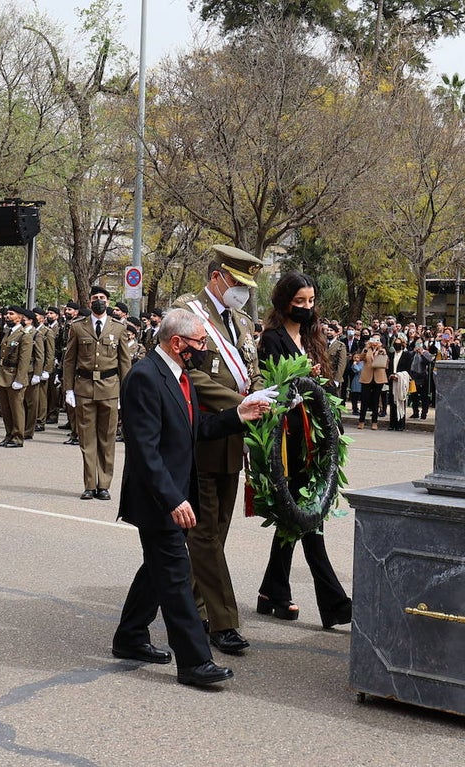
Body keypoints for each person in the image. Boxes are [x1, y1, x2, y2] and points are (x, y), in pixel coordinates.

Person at [112, 308, 274, 687]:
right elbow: (145, 452)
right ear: (177, 342)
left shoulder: (178, 374)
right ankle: (194, 661)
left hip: (174, 493)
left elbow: (195, 428)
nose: (203, 349)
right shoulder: (144, 378)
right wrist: (173, 499)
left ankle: (130, 636)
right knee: (176, 576)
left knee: (156, 570)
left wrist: (239, 414)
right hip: (157, 498)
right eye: (200, 342)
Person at [171, 246, 264, 655]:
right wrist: (237, 402)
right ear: (217, 278)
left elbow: (252, 366)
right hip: (202, 432)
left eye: (246, 287)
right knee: (205, 535)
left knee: (215, 533)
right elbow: (187, 372)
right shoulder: (186, 312)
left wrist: (261, 393)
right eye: (237, 284)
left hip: (234, 436)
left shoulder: (241, 320)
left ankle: (191, 606)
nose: (241, 293)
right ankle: (221, 622)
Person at [255, 271, 353, 629]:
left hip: (316, 440)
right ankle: (335, 603)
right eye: (300, 302)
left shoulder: (315, 335)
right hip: (287, 440)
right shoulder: (272, 339)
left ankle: (272, 590)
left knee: (298, 515)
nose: (306, 308)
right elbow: (273, 389)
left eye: (311, 301)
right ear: (283, 302)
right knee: (309, 516)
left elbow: (326, 386)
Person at [62, 286, 132, 500]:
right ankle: (90, 484)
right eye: (95, 298)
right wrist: (68, 389)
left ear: (108, 302)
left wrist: (125, 393)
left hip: (110, 389)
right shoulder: (77, 327)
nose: (98, 301)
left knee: (107, 438)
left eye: (102, 298)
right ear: (89, 302)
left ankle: (104, 484)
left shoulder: (119, 328)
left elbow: (124, 363)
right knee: (87, 438)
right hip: (84, 388)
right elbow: (69, 360)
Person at [0, 307, 33, 448]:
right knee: (6, 409)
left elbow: (24, 360)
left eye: (11, 314)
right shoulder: (7, 333)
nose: (7, 316)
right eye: (7, 314)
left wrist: (19, 379)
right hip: (3, 374)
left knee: (16, 409)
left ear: (20, 317)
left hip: (14, 375)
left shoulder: (24, 336)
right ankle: (8, 434)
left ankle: (17, 437)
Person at [358, 335, 387, 430]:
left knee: (376, 400)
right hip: (367, 376)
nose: (375, 341)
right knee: (364, 399)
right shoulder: (367, 349)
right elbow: (361, 358)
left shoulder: (382, 350)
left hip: (378, 377)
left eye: (377, 340)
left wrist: (383, 352)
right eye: (373, 339)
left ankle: (375, 421)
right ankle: (361, 421)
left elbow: (386, 363)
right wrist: (366, 347)